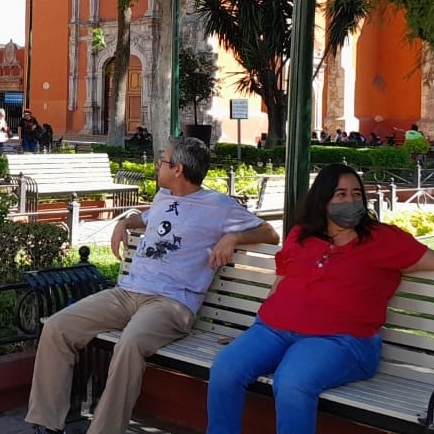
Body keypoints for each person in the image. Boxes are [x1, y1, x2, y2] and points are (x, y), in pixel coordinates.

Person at [205, 163, 434, 434]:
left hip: (340, 341)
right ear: (322, 199)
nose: (350, 201)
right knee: (226, 368)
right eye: (340, 194)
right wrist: (254, 335)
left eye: (356, 194)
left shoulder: (383, 239)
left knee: (292, 382)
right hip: (273, 330)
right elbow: (281, 284)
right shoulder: (302, 234)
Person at [26, 137, 279, 434]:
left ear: (178, 169)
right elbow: (146, 219)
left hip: (170, 304)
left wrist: (233, 237)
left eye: (163, 160)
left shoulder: (219, 206)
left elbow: (270, 233)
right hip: (126, 293)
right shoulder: (163, 196)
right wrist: (124, 223)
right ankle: (46, 424)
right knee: (58, 327)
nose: (158, 165)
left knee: (129, 344)